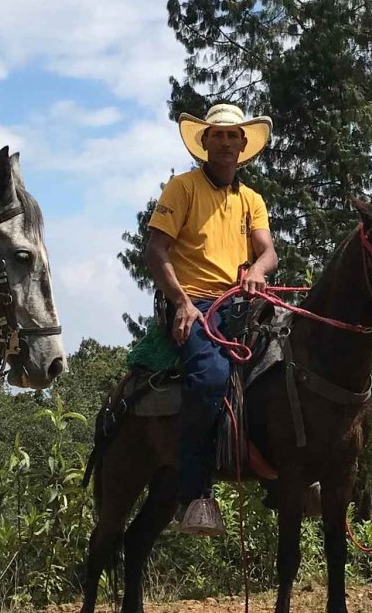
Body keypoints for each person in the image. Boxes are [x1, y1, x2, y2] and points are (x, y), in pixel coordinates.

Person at [145, 103, 279, 536]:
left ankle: (291, 477)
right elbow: (155, 250)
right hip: (193, 304)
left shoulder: (251, 199)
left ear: (243, 145)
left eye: (233, 135)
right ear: (205, 143)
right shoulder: (182, 188)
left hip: (241, 301)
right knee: (209, 377)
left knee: (291, 365)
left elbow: (268, 251)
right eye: (217, 135)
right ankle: (194, 494)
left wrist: (257, 272)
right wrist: (182, 303)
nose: (225, 142)